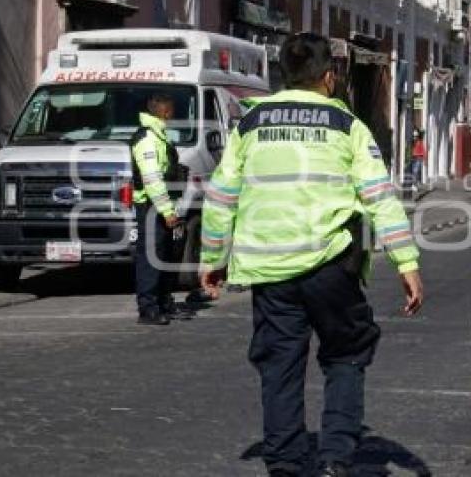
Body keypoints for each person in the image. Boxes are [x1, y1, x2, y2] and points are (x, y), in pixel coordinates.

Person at [199, 33, 424, 477]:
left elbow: (221, 194)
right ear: (328, 77)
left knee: (279, 363)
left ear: (285, 76)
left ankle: (284, 463)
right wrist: (407, 262)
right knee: (347, 352)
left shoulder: (250, 124)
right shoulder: (347, 126)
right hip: (330, 265)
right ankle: (335, 458)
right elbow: (380, 197)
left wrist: (213, 258)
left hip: (269, 269)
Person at [130, 95, 195, 325]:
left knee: (166, 255)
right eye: (170, 110)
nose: (172, 115)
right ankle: (147, 309)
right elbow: (152, 179)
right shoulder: (147, 139)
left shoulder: (158, 135)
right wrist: (167, 211)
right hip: (151, 207)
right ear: (163, 111)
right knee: (151, 259)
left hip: (161, 204)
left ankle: (164, 302)